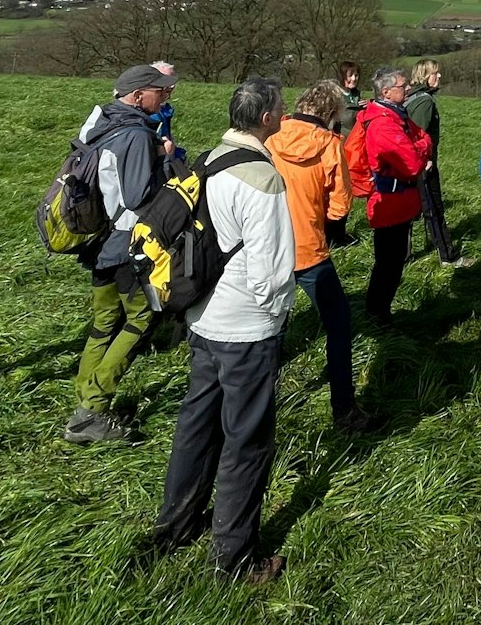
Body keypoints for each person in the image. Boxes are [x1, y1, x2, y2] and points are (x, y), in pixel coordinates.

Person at [146, 77, 296, 585]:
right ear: (269, 119)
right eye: (281, 108)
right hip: (245, 328)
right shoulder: (263, 178)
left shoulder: (208, 160)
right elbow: (273, 273)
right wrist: (273, 320)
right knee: (247, 441)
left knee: (195, 427)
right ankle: (234, 558)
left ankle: (176, 526)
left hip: (201, 318)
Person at [61, 63, 178, 445]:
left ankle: (85, 393)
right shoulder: (135, 136)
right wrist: (168, 159)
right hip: (127, 244)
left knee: (104, 322)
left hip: (96, 240)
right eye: (159, 91)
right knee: (141, 319)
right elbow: (138, 196)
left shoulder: (101, 122)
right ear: (138, 94)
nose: (164, 96)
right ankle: (91, 410)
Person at [266, 80, 378, 435]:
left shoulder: (271, 136)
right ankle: (344, 410)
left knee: (270, 328)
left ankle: (261, 402)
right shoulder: (331, 145)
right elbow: (340, 206)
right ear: (332, 113)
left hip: (268, 247)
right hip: (309, 249)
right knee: (339, 326)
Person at [350, 66, 433, 330]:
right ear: (386, 92)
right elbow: (411, 163)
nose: (407, 88)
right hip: (389, 203)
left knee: (393, 262)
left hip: (399, 201)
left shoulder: (396, 115)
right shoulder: (384, 125)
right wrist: (422, 148)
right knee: (388, 264)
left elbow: (422, 136)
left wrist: (420, 144)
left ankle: (379, 311)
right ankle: (377, 315)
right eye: (402, 85)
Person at [403, 58, 463, 267]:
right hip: (423, 166)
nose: (439, 77)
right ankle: (447, 256)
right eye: (434, 73)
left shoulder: (410, 97)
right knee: (434, 209)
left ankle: (405, 257)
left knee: (410, 211)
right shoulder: (424, 102)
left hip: (410, 166)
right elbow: (417, 135)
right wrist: (425, 160)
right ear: (424, 76)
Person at [333, 61, 363, 138]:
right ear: (342, 76)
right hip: (341, 142)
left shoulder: (358, 96)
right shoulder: (334, 97)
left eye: (356, 75)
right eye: (350, 75)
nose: (354, 79)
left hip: (356, 141)